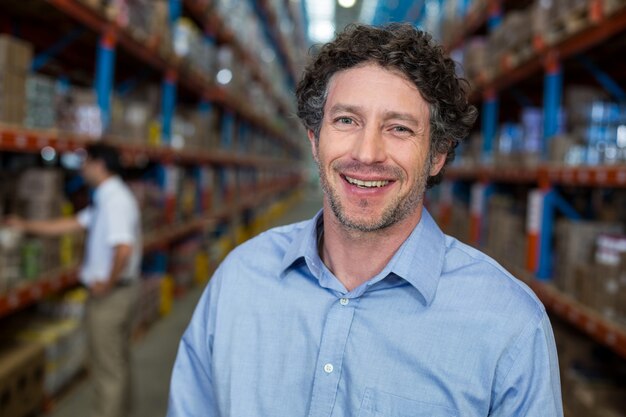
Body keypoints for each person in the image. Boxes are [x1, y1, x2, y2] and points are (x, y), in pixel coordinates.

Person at [167, 23, 563, 417]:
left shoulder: (508, 325)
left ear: (438, 154)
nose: (368, 153)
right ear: (314, 139)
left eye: (399, 128)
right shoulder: (238, 281)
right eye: (346, 121)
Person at [8, 143, 142, 417]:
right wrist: (25, 224)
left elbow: (123, 248)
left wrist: (107, 283)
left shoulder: (115, 200)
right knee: (116, 365)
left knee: (107, 371)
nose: (82, 168)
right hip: (118, 293)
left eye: (86, 162)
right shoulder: (108, 198)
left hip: (112, 296)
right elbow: (74, 224)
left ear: (100, 165)